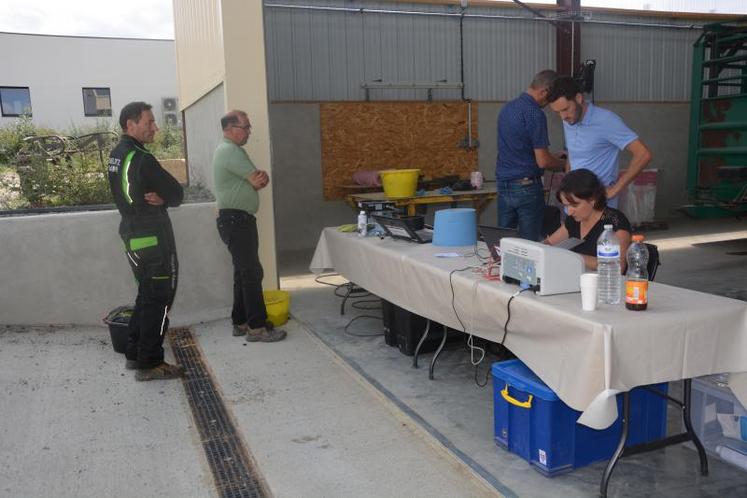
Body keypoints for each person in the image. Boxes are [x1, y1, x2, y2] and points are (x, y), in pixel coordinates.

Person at [107, 101, 185, 381]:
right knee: (160, 299)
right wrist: (164, 198)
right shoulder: (142, 158)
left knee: (146, 295)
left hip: (132, 236)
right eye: (149, 122)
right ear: (131, 124)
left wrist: (159, 197)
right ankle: (150, 362)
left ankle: (134, 352)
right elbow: (176, 194)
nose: (154, 127)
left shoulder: (116, 154)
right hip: (152, 237)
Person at [213, 110, 286, 342]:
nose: (248, 132)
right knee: (252, 273)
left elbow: (258, 181)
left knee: (242, 272)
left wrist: (256, 180)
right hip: (237, 220)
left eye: (248, 127)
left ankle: (241, 321)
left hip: (234, 220)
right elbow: (258, 180)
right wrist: (256, 179)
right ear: (229, 129)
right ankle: (257, 327)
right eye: (245, 127)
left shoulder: (230, 151)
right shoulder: (230, 152)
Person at [547, 76, 652, 208]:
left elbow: (643, 154)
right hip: (574, 205)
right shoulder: (569, 119)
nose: (562, 117)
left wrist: (615, 189)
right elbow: (573, 154)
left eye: (565, 109)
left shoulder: (606, 120)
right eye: (557, 112)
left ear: (579, 99)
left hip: (599, 206)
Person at [495, 70, 566, 241]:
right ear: (545, 91)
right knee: (530, 243)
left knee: (503, 241)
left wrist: (552, 155)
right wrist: (565, 164)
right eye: (551, 98)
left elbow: (519, 148)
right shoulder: (535, 113)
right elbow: (542, 161)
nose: (550, 103)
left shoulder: (507, 109)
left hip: (504, 185)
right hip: (526, 188)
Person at [544, 169, 631, 271]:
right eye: (566, 206)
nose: (570, 212)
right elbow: (549, 243)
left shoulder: (616, 222)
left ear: (593, 199)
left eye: (574, 205)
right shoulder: (573, 220)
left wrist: (572, 256)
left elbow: (617, 266)